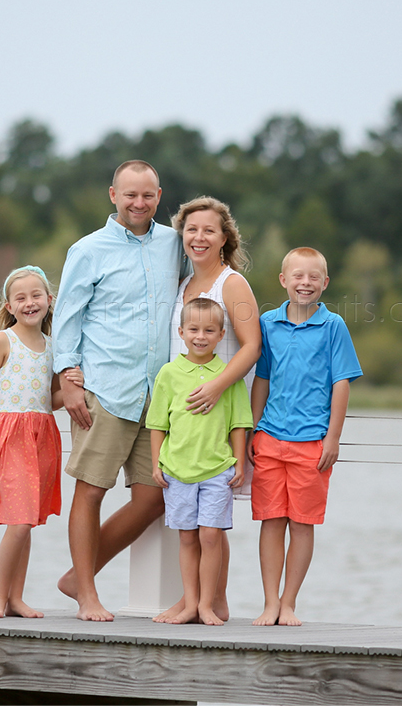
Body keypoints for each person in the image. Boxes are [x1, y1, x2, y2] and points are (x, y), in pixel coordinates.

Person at [52, 160, 184, 622]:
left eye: (147, 195)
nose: (139, 203)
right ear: (113, 195)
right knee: (91, 491)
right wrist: (68, 380)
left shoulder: (175, 244)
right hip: (104, 390)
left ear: (159, 196)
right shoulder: (88, 250)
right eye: (130, 194)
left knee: (154, 497)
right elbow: (67, 318)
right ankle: (87, 595)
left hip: (158, 396)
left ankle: (78, 575)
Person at [154, 195, 261, 624]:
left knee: (213, 525)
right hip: (184, 425)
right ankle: (200, 601)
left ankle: (210, 603)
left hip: (222, 415)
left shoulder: (231, 284)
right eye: (191, 230)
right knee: (196, 525)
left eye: (208, 230)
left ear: (224, 238)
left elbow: (252, 346)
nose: (199, 237)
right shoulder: (183, 286)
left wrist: (217, 386)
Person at [249, 247, 363, 627]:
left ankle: (288, 603)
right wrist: (253, 429)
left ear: (325, 283)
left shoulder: (333, 327)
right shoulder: (268, 323)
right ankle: (269, 602)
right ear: (284, 280)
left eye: (314, 277)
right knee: (271, 521)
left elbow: (341, 383)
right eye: (298, 275)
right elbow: (262, 379)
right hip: (269, 438)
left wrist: (333, 438)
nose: (305, 283)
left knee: (301, 524)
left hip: (313, 442)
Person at [0, 265, 63, 619]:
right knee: (20, 521)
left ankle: (16, 598)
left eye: (36, 295)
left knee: (26, 521)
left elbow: (51, 399)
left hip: (41, 437)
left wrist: (76, 389)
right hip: (8, 437)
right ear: (9, 306)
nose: (29, 302)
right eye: (20, 298)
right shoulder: (2, 341)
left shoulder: (54, 347)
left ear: (49, 300)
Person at [147, 298, 253, 625]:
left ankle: (207, 604)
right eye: (193, 329)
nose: (200, 336)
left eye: (209, 330)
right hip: (177, 471)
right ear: (180, 332)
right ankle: (190, 604)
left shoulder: (228, 376)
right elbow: (157, 424)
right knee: (187, 537)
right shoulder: (168, 374)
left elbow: (239, 424)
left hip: (217, 470)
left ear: (221, 335)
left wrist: (239, 463)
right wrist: (156, 464)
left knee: (210, 535)